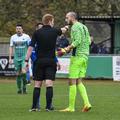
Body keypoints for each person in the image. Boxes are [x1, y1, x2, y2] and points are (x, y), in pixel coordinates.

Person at [25, 14, 68, 112]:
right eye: (53, 21)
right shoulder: (55, 31)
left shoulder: (37, 32)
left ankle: (34, 107)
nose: (53, 23)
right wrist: (66, 26)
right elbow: (63, 30)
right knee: (49, 84)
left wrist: (26, 61)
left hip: (39, 62)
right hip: (50, 61)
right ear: (50, 21)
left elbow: (30, 48)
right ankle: (48, 107)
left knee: (37, 85)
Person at [60, 12, 92, 112]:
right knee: (79, 81)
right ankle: (87, 103)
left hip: (77, 57)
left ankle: (71, 107)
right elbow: (89, 41)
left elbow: (77, 41)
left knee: (71, 81)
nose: (66, 20)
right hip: (85, 57)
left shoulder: (75, 27)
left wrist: (66, 49)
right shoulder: (84, 27)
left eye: (67, 18)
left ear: (72, 18)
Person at [9, 24, 31, 94]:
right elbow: (11, 47)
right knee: (18, 74)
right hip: (16, 58)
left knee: (24, 71)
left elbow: (29, 47)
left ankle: (24, 87)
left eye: (20, 28)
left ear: (22, 30)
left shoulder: (26, 37)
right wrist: (10, 58)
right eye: (17, 28)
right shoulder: (13, 37)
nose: (18, 30)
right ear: (16, 30)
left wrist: (28, 57)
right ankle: (19, 89)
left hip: (24, 58)